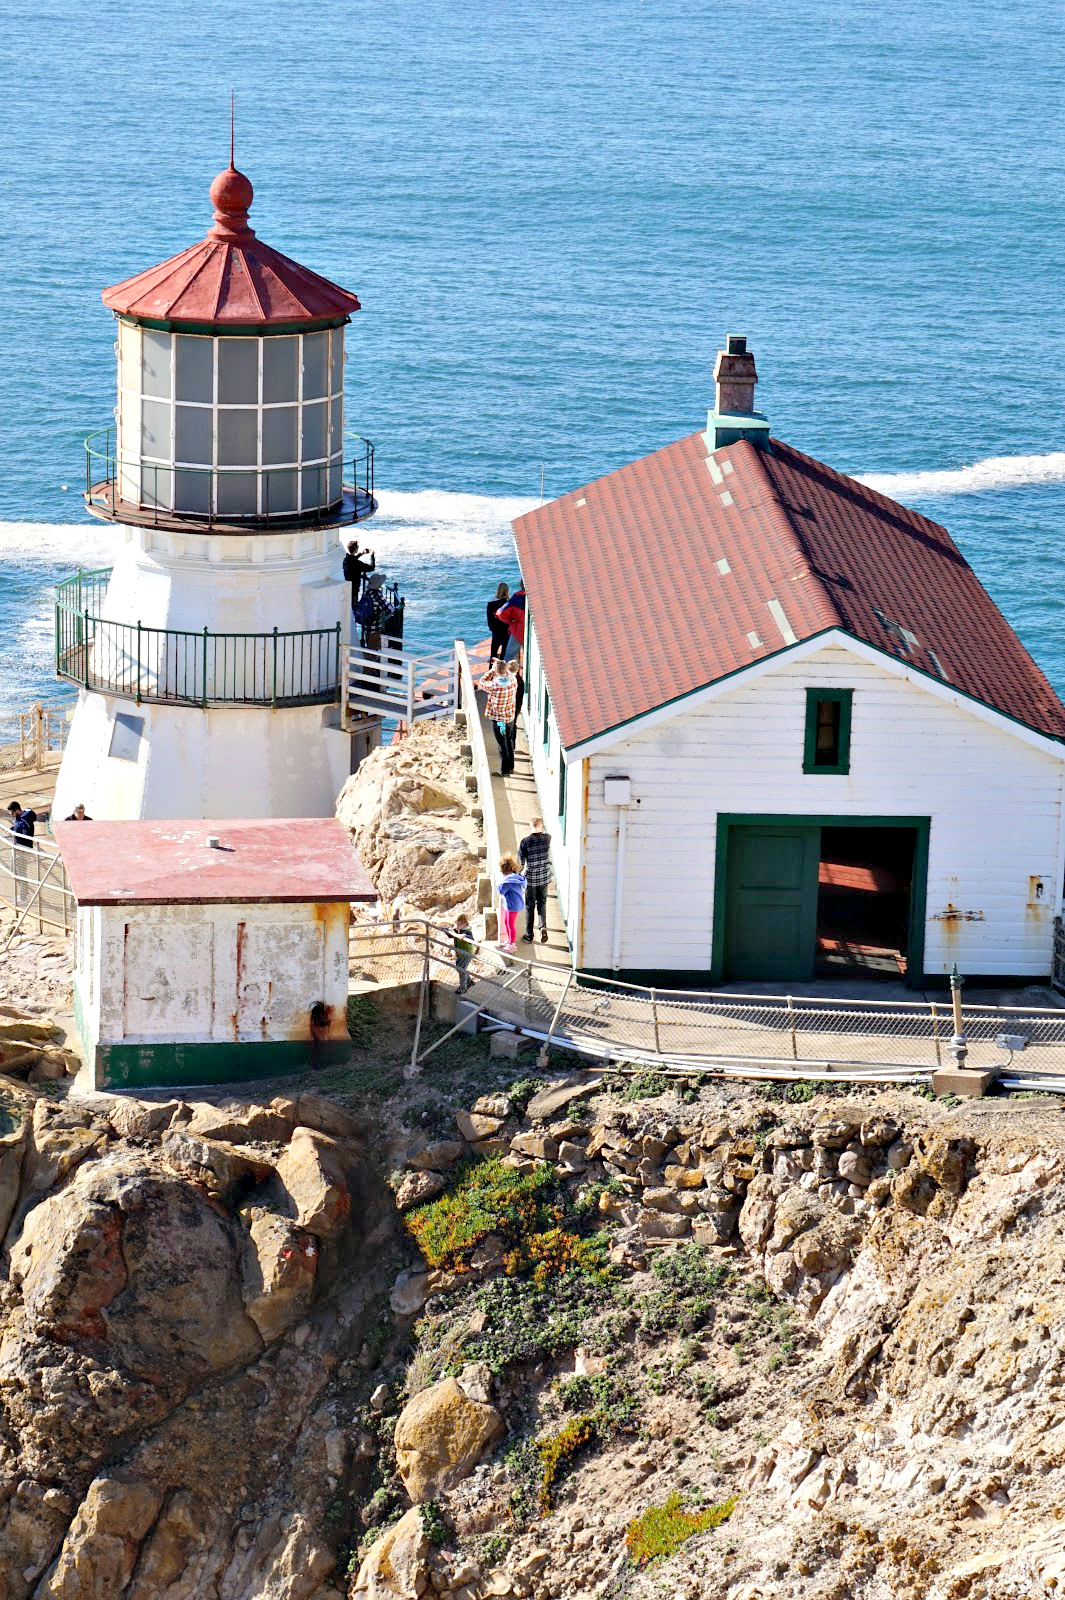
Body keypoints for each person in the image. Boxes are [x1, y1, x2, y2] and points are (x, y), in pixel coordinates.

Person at [478, 657, 517, 776]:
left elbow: (482, 681)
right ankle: (511, 767)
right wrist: (499, 665)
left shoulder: (494, 686)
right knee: (509, 741)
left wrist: (491, 670)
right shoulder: (513, 680)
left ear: (496, 670)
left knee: (502, 744)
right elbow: (509, 671)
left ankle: (505, 771)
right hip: (509, 717)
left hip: (498, 720)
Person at [519, 817, 552, 944]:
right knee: (542, 902)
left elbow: (521, 863)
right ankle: (542, 927)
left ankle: (529, 935)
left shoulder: (525, 842)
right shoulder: (548, 838)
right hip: (544, 876)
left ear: (530, 827)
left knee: (529, 906)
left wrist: (517, 874)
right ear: (542, 827)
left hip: (531, 878)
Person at [6, 802, 38, 908]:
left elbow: (26, 836)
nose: (11, 815)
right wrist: (11, 831)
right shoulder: (19, 818)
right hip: (16, 849)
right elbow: (16, 827)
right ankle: (24, 892)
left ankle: (24, 897)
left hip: (21, 850)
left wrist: (15, 836)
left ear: (16, 810)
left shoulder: (25, 821)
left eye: (12, 813)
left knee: (21, 873)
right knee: (13, 869)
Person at [496, 854, 526, 953]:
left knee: (510, 923)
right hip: (512, 903)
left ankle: (512, 944)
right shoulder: (515, 877)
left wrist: (499, 884)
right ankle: (509, 941)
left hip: (512, 905)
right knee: (506, 922)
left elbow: (501, 891)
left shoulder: (508, 881)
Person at [496, 584, 527, 664]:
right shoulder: (537, 598)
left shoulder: (516, 598)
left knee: (509, 656)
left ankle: (509, 675)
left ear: (521, 585)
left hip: (518, 631)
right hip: (531, 633)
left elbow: (500, 613)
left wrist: (510, 621)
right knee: (528, 656)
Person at [343, 541, 376, 609]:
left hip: (345, 587)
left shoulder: (345, 559)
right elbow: (371, 568)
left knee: (346, 607)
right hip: (354, 589)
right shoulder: (357, 564)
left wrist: (362, 553)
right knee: (353, 609)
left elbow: (352, 559)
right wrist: (372, 556)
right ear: (356, 550)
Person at [450, 913, 476, 994]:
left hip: (466, 954)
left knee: (462, 970)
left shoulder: (467, 931)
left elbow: (471, 938)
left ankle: (463, 988)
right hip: (460, 953)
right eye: (456, 924)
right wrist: (445, 930)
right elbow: (451, 935)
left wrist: (464, 935)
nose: (456, 926)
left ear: (464, 924)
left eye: (458, 924)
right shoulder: (457, 931)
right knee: (459, 968)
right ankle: (469, 981)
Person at [487, 583, 511, 660]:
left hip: (496, 632)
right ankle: (502, 671)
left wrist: (493, 628)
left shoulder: (490, 604)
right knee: (504, 656)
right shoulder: (508, 604)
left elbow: (489, 620)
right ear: (506, 591)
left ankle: (491, 671)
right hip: (506, 633)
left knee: (493, 656)